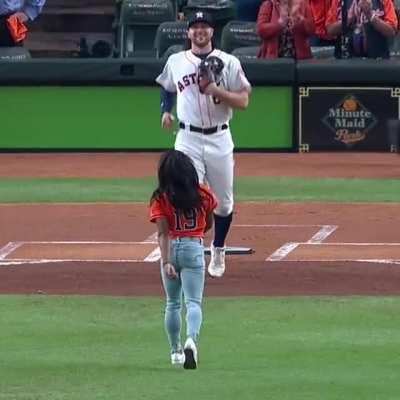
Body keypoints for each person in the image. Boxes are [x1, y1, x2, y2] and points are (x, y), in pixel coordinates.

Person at [155, 11, 251, 278]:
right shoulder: (175, 60)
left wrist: (216, 90)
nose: (199, 31)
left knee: (223, 204)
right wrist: (166, 110)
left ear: (212, 32)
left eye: (204, 27)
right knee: (186, 193)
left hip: (220, 137)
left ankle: (218, 248)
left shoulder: (228, 62)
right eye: (195, 27)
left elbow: (244, 101)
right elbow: (166, 86)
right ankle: (191, 247)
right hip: (187, 138)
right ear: (188, 33)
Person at [149, 149, 218, 369]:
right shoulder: (204, 194)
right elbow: (208, 224)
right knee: (194, 302)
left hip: (171, 249)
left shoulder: (160, 198)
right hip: (193, 247)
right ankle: (192, 340)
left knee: (172, 303)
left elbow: (162, 233)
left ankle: (175, 352)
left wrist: (167, 261)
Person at [325, 0, 398, 58]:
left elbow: (391, 31)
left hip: (377, 61)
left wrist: (370, 16)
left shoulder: (384, 1)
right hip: (345, 61)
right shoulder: (339, 1)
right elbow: (329, 30)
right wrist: (348, 19)